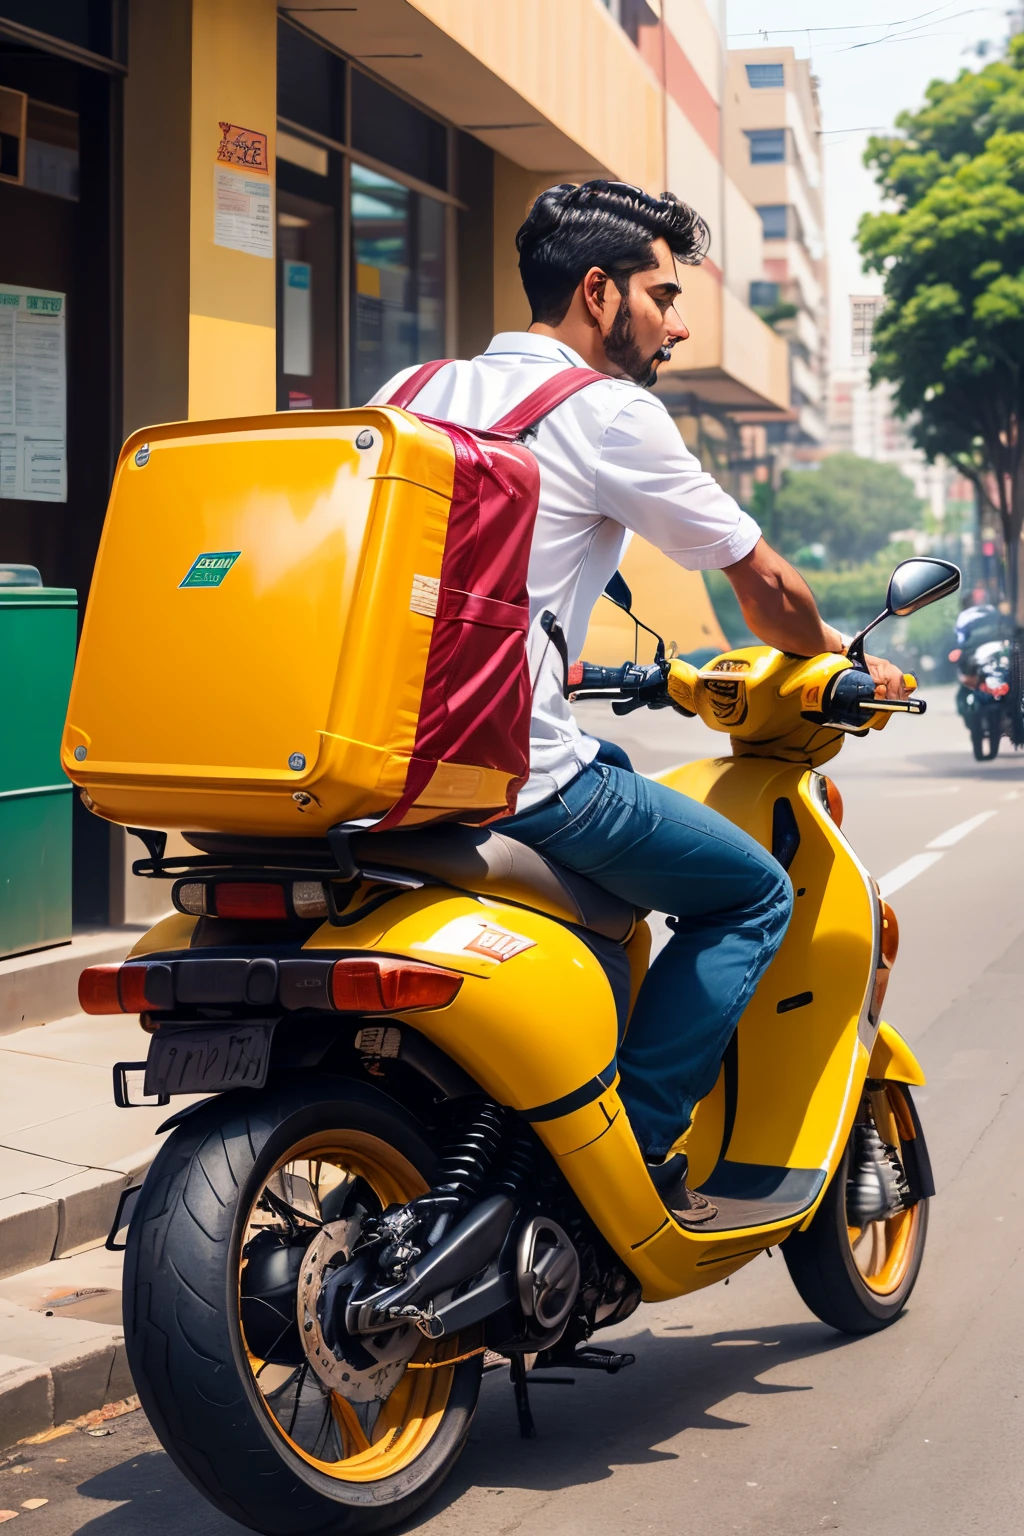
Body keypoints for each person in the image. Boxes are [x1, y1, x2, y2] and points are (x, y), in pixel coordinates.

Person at [371, 180, 908, 1223]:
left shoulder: (414, 384)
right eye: (663, 295)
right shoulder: (608, 413)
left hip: (375, 763)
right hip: (512, 775)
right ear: (597, 292)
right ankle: (639, 1149)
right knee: (747, 893)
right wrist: (843, 653)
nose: (679, 320)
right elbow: (768, 590)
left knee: (615, 772)